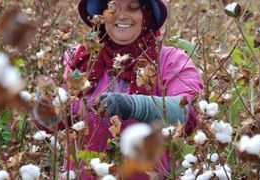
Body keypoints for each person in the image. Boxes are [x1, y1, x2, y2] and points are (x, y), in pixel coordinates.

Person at [55, 0, 203, 179]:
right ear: (102, 16)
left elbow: (187, 112)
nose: (122, 15)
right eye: (113, 8)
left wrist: (134, 105)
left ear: (147, 15)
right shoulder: (79, 58)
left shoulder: (171, 60)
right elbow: (58, 122)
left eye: (133, 8)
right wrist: (42, 108)